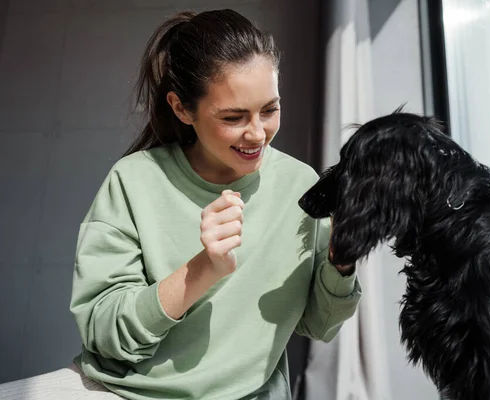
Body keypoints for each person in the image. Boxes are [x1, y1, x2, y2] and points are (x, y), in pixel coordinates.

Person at [63, 8, 360, 400]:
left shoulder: (299, 184)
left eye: (270, 109)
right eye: (234, 117)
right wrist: (203, 269)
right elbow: (105, 335)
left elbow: (320, 326)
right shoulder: (134, 180)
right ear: (182, 108)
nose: (258, 133)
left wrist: (343, 259)